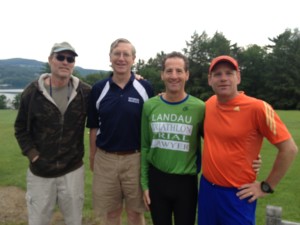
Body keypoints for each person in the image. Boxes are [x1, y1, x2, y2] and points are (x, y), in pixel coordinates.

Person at [198, 55, 298, 225]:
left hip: (238, 195)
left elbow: (289, 149)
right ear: (210, 80)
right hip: (208, 190)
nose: (223, 78)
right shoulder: (208, 104)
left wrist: (266, 186)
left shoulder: (257, 108)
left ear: (238, 77)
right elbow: (212, 137)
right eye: (217, 74)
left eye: (229, 73)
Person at [14, 42, 91, 225]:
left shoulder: (85, 92)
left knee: (74, 221)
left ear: (73, 64)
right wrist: (34, 156)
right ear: (50, 60)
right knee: (38, 221)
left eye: (70, 59)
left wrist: (134, 79)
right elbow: (20, 128)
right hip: (40, 172)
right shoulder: (32, 92)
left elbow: (109, 93)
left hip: (72, 170)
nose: (65, 62)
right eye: (60, 57)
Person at [87, 38, 154, 225]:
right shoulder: (99, 89)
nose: (121, 58)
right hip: (105, 159)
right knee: (111, 214)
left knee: (135, 213)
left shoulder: (145, 88)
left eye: (126, 54)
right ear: (110, 57)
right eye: (117, 54)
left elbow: (152, 125)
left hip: (136, 159)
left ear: (133, 59)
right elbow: (93, 127)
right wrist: (93, 158)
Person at [140, 51, 205, 225]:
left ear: (187, 74)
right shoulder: (150, 106)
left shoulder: (199, 108)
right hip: (157, 180)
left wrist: (251, 157)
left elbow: (217, 141)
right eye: (169, 71)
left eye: (179, 71)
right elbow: (145, 147)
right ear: (162, 75)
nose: (174, 76)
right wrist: (145, 184)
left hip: (186, 183)